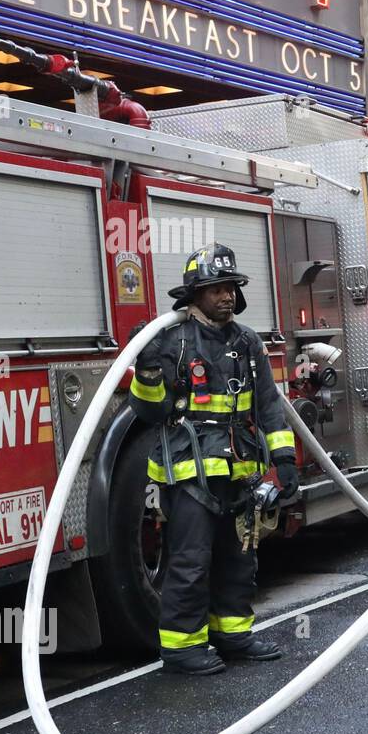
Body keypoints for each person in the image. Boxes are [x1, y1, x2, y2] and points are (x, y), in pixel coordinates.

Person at [130, 244, 291, 675]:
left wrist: (285, 459)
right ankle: (182, 648)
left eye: (230, 288)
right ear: (194, 295)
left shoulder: (247, 341)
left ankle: (233, 635)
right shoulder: (172, 341)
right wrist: (146, 371)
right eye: (215, 288)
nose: (225, 296)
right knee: (191, 560)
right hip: (189, 473)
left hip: (239, 471)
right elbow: (151, 412)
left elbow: (270, 405)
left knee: (239, 555)